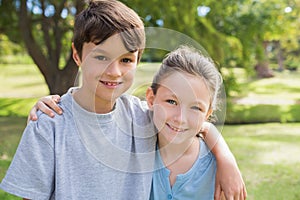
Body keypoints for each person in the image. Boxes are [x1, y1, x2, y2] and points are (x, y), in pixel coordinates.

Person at [2, 0, 246, 199]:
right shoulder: (49, 123)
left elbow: (192, 121)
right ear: (77, 55)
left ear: (137, 61)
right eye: (101, 57)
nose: (114, 71)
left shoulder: (139, 115)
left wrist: (227, 161)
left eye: (126, 60)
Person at [147, 45, 223, 199]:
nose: (180, 119)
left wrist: (226, 161)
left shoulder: (217, 170)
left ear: (207, 114)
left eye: (195, 108)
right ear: (151, 99)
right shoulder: (133, 149)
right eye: (171, 101)